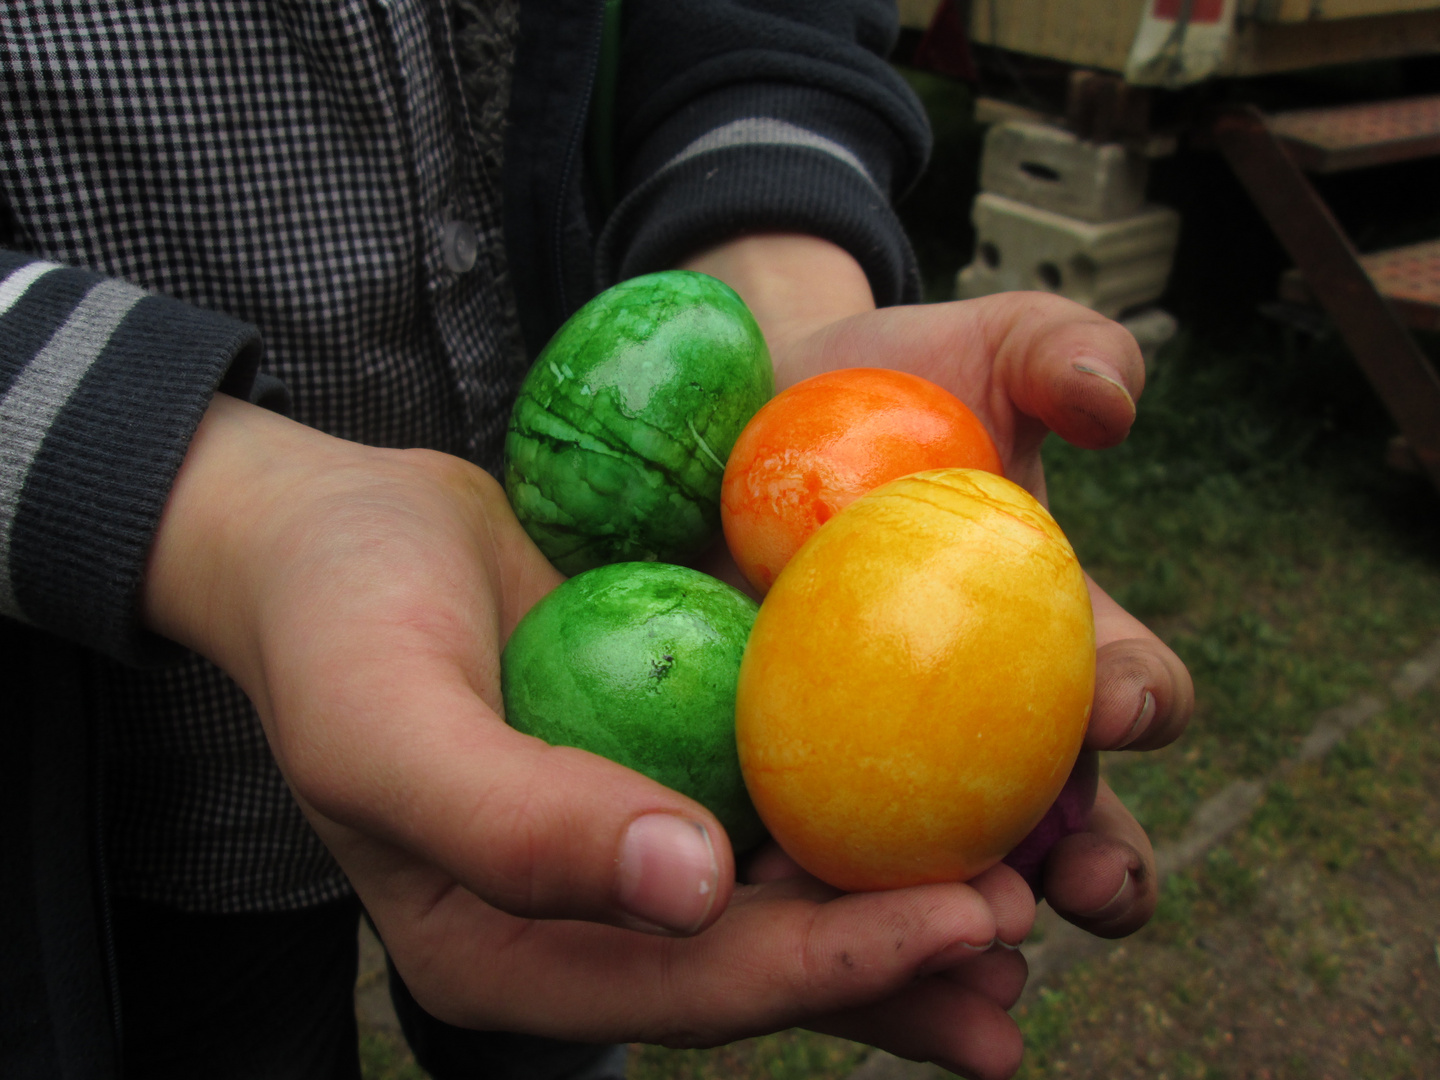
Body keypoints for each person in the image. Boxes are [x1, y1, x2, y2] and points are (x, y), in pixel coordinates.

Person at [0, 2, 1194, 1079]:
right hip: (134, 778)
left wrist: (780, 269)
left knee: (557, 1031)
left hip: (571, 800)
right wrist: (217, 500)